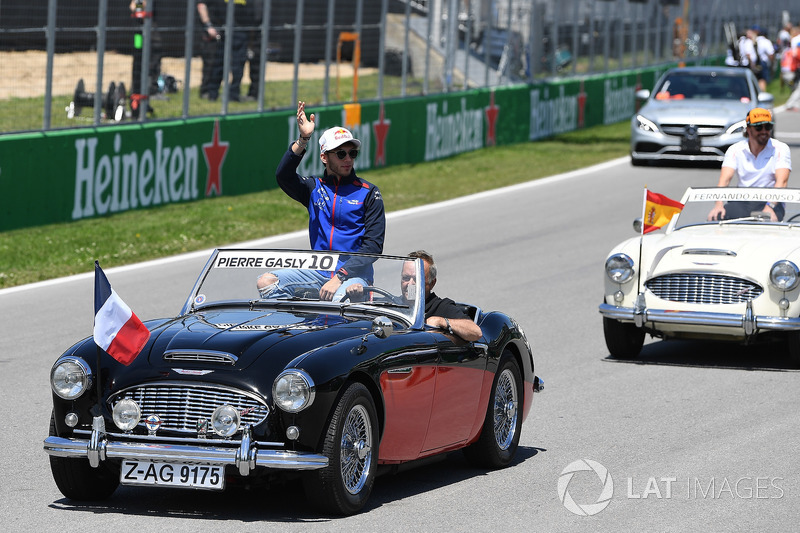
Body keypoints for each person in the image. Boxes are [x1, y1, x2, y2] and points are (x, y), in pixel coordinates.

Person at [256, 101, 385, 301]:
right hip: (318, 273)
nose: (348, 159)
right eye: (341, 153)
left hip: (354, 277)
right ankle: (295, 327)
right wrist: (304, 139)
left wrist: (340, 277)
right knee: (266, 282)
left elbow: (373, 247)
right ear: (324, 157)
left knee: (337, 299)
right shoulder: (314, 188)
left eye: (352, 153)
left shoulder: (369, 193)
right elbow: (283, 176)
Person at [347, 250, 483, 342]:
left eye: (416, 279)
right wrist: (356, 300)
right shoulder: (390, 304)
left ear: (432, 283)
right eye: (406, 278)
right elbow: (359, 327)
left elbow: (476, 332)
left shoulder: (441, 307)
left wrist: (442, 322)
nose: (410, 284)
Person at [707, 108, 792, 222]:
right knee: (715, 218)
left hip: (771, 200)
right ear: (748, 129)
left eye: (768, 127)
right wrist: (718, 204)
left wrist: (769, 207)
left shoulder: (781, 148)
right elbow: (724, 181)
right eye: (758, 127)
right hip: (742, 200)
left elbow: (782, 182)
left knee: (768, 221)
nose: (764, 131)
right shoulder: (735, 150)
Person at [196, 0, 252, 102]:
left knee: (238, 66)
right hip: (221, 30)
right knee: (218, 64)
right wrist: (208, 25)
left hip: (240, 31)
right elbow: (202, 5)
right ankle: (212, 94)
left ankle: (233, 95)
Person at [129, 0, 162, 96]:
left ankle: (150, 88)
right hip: (140, 30)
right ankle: (137, 88)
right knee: (138, 55)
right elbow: (133, 6)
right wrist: (140, 7)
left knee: (154, 54)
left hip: (149, 26)